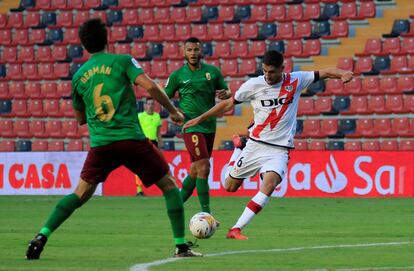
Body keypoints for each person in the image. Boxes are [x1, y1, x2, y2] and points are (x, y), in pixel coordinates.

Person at [25, 18, 201, 260]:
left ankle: (42, 235)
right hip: (131, 140)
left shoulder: (78, 76)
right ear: (107, 38)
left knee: (80, 193)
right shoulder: (122, 61)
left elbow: (80, 119)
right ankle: (181, 246)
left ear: (84, 45)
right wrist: (173, 111)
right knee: (169, 186)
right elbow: (149, 87)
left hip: (101, 144)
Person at [184, 50, 353, 240]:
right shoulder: (254, 84)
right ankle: (238, 149)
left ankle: (236, 228)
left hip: (279, 150)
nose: (267, 76)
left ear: (282, 68)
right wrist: (201, 118)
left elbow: (325, 72)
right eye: (264, 71)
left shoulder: (296, 80)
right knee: (229, 186)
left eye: (272, 72)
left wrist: (342, 73)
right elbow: (228, 104)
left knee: (270, 184)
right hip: (254, 145)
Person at [164, 37, 231, 214]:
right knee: (204, 166)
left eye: (196, 50)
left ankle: (175, 205)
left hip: (209, 126)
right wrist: (173, 112)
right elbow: (164, 97)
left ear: (201, 51)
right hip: (190, 126)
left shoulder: (212, 72)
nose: (193, 53)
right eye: (189, 50)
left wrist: (226, 93)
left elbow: (227, 91)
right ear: (183, 52)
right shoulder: (177, 76)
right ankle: (206, 214)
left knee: (195, 170)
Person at [136, 97, 163, 196]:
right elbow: (137, 129)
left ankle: (163, 188)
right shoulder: (140, 116)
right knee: (139, 167)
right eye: (149, 104)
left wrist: (160, 141)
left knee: (158, 166)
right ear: (145, 105)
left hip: (154, 142)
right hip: (143, 142)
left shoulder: (157, 116)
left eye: (152, 104)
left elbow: (159, 132)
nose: (150, 106)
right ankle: (139, 190)